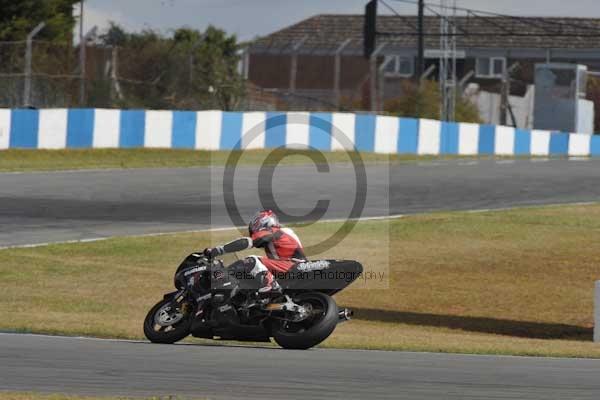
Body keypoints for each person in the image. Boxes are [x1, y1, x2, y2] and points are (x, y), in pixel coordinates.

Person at [203, 210, 306, 296]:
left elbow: (246, 242)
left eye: (256, 224)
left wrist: (217, 250)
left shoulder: (273, 231)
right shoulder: (279, 233)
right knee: (244, 266)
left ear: (262, 222)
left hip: (293, 266)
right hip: (289, 266)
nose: (253, 228)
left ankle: (270, 285)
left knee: (251, 260)